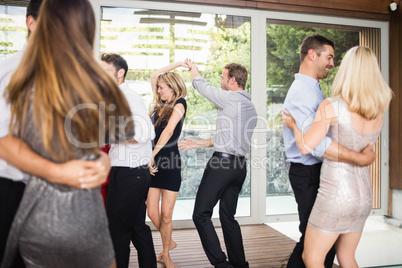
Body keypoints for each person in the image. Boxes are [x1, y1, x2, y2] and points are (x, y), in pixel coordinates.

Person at [0, 0, 135, 267]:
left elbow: (100, 140)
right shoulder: (13, 72)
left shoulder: (83, 79)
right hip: (17, 192)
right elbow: (4, 142)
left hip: (78, 203)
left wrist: (102, 161)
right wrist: (58, 172)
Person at [282, 46, 393, 267]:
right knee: (347, 257)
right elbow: (367, 148)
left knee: (312, 258)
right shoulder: (379, 109)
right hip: (363, 195)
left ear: (348, 70)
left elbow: (305, 146)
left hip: (336, 195)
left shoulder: (331, 105)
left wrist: (294, 126)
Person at [179, 60, 256, 268]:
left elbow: (203, 87)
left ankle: (221, 264)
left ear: (233, 80)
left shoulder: (231, 98)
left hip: (222, 165)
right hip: (239, 168)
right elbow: (226, 137)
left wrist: (193, 70)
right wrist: (199, 143)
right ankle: (240, 265)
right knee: (227, 217)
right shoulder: (250, 106)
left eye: (223, 77)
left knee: (200, 214)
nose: (221, 81)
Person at [101, 53, 157, 268]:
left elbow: (143, 133)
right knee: (136, 228)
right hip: (128, 172)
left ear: (120, 73)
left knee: (117, 230)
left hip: (129, 173)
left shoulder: (128, 97)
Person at [147, 62, 188, 268]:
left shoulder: (180, 103)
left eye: (162, 87)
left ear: (172, 88)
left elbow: (169, 131)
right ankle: (169, 241)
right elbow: (155, 73)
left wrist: (153, 153)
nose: (159, 90)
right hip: (153, 163)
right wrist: (177, 64)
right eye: (158, 87)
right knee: (152, 213)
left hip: (169, 162)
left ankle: (165, 254)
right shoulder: (158, 103)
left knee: (166, 214)